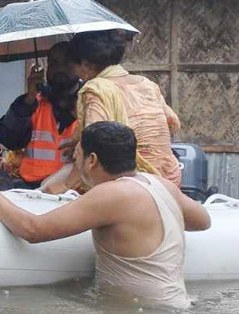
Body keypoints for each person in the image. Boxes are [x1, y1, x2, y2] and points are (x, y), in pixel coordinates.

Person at [0, 122, 210, 308]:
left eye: (77, 157)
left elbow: (33, 230)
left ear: (91, 160)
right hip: (177, 305)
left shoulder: (110, 195)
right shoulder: (159, 184)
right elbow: (203, 221)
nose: (76, 163)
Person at [53, 30, 181, 192]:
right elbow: (173, 124)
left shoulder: (97, 89)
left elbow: (95, 145)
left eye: (73, 66)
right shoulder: (147, 84)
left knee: (51, 187)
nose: (75, 74)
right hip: (169, 180)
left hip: (134, 185)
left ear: (86, 65)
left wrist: (63, 187)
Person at [0, 43, 81, 189]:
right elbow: (10, 140)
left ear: (80, 66)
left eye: (67, 62)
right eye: (54, 63)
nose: (60, 68)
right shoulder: (32, 103)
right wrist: (29, 98)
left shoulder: (91, 103)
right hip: (32, 189)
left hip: (74, 191)